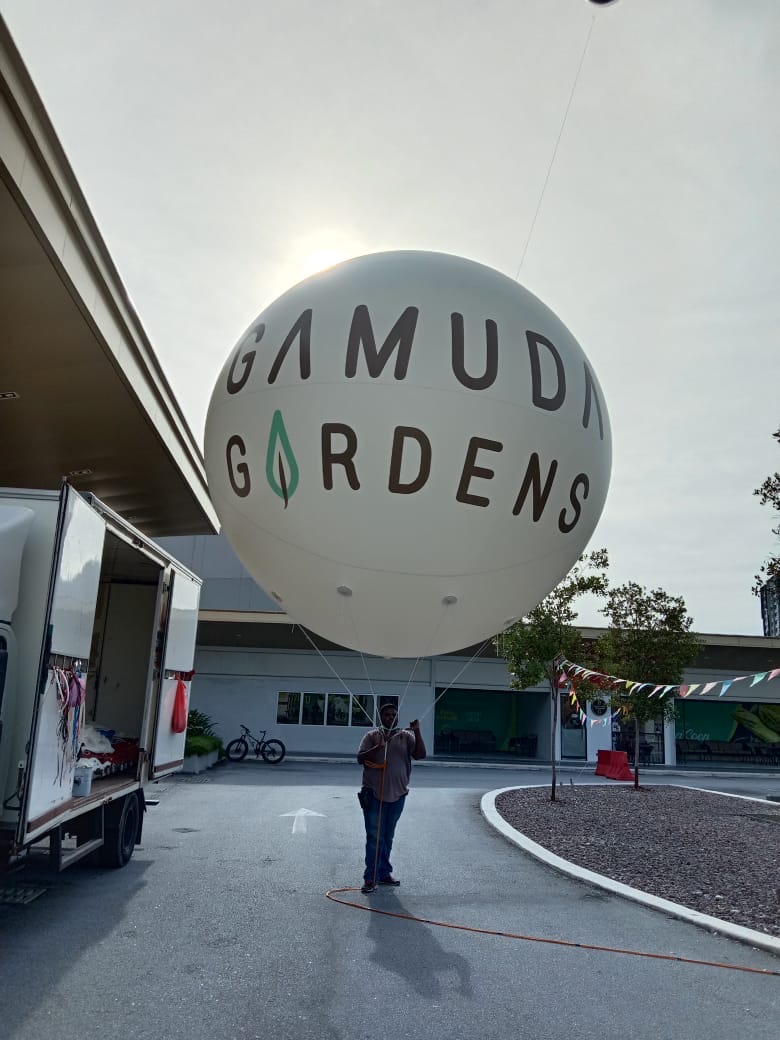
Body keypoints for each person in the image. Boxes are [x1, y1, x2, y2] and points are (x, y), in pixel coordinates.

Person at [356, 702, 426, 894]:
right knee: (374, 838)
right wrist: (379, 746)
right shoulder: (372, 736)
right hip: (373, 795)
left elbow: (421, 755)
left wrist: (417, 731)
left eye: (394, 715)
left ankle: (384, 873)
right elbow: (360, 758)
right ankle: (370, 878)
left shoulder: (406, 736)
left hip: (398, 795)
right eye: (387, 715)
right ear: (381, 717)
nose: (390, 718)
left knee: (387, 836)